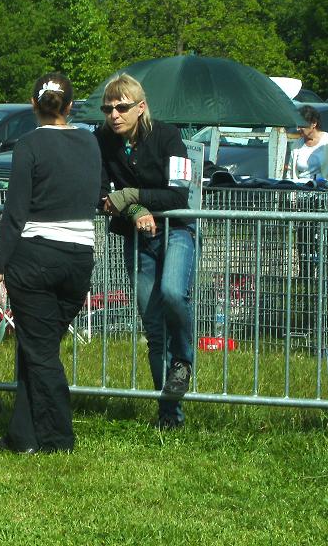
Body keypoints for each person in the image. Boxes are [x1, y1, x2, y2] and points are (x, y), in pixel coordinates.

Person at [0, 72, 101, 454]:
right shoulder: (89, 142)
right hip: (79, 257)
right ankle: (24, 436)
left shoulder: (29, 144)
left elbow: (15, 212)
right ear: (70, 106)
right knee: (39, 346)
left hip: (35, 256)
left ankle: (57, 438)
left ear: (33, 106)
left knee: (40, 352)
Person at [96, 73, 195, 431]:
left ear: (141, 108)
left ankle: (183, 360)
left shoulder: (168, 136)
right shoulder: (102, 140)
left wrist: (133, 196)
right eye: (108, 108)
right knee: (153, 327)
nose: (114, 114)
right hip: (136, 239)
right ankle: (169, 415)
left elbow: (179, 194)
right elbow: (100, 195)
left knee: (172, 293)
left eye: (122, 107)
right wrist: (135, 210)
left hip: (177, 231)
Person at [285, 105, 328, 180]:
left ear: (314, 123)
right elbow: (290, 173)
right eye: (297, 125)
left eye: (301, 125)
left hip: (323, 189)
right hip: (300, 189)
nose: (297, 129)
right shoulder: (297, 144)